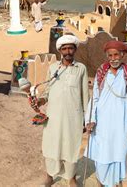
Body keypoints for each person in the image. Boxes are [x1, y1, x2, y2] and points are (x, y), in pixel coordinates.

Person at [85, 40, 127, 187]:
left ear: (122, 55)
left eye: (116, 55)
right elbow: (95, 97)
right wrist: (90, 119)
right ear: (107, 56)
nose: (113, 58)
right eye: (110, 55)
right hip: (102, 121)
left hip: (122, 121)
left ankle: (117, 183)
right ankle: (101, 183)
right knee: (101, 154)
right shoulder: (101, 72)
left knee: (119, 153)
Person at [38, 34, 89, 186]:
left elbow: (85, 95)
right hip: (53, 116)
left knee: (71, 146)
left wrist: (88, 119)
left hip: (73, 117)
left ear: (74, 50)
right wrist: (40, 100)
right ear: (60, 50)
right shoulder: (53, 68)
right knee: (51, 145)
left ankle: (71, 177)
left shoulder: (81, 69)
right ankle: (50, 176)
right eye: (64, 48)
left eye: (70, 48)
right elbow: (46, 92)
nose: (67, 51)